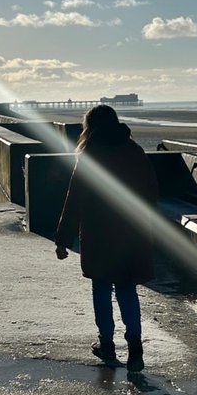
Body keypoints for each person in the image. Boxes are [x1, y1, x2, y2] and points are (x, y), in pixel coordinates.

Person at [55, 104, 158, 371]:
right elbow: (151, 193)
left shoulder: (90, 154)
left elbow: (74, 198)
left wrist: (63, 238)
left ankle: (107, 344)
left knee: (101, 289)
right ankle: (135, 348)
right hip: (130, 233)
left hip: (99, 234)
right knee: (127, 289)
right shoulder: (133, 151)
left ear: (90, 126)